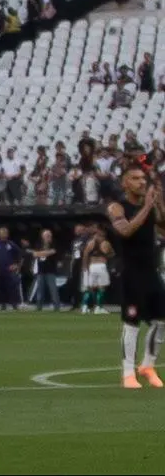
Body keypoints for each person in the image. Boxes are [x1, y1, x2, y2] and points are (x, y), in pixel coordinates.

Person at [104, 164, 165, 388]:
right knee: (132, 323)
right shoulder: (117, 207)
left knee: (160, 320)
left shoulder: (149, 207)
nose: (141, 182)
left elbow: (163, 226)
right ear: (125, 183)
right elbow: (126, 231)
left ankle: (148, 365)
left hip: (151, 270)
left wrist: (157, 203)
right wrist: (148, 205)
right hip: (131, 272)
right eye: (136, 178)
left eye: (143, 178)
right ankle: (128, 372)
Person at [81, 227, 113, 314]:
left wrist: (84, 267)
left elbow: (85, 255)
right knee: (101, 287)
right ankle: (98, 308)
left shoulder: (90, 243)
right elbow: (112, 254)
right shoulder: (106, 243)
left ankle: (84, 307)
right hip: (101, 266)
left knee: (90, 287)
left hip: (92, 266)